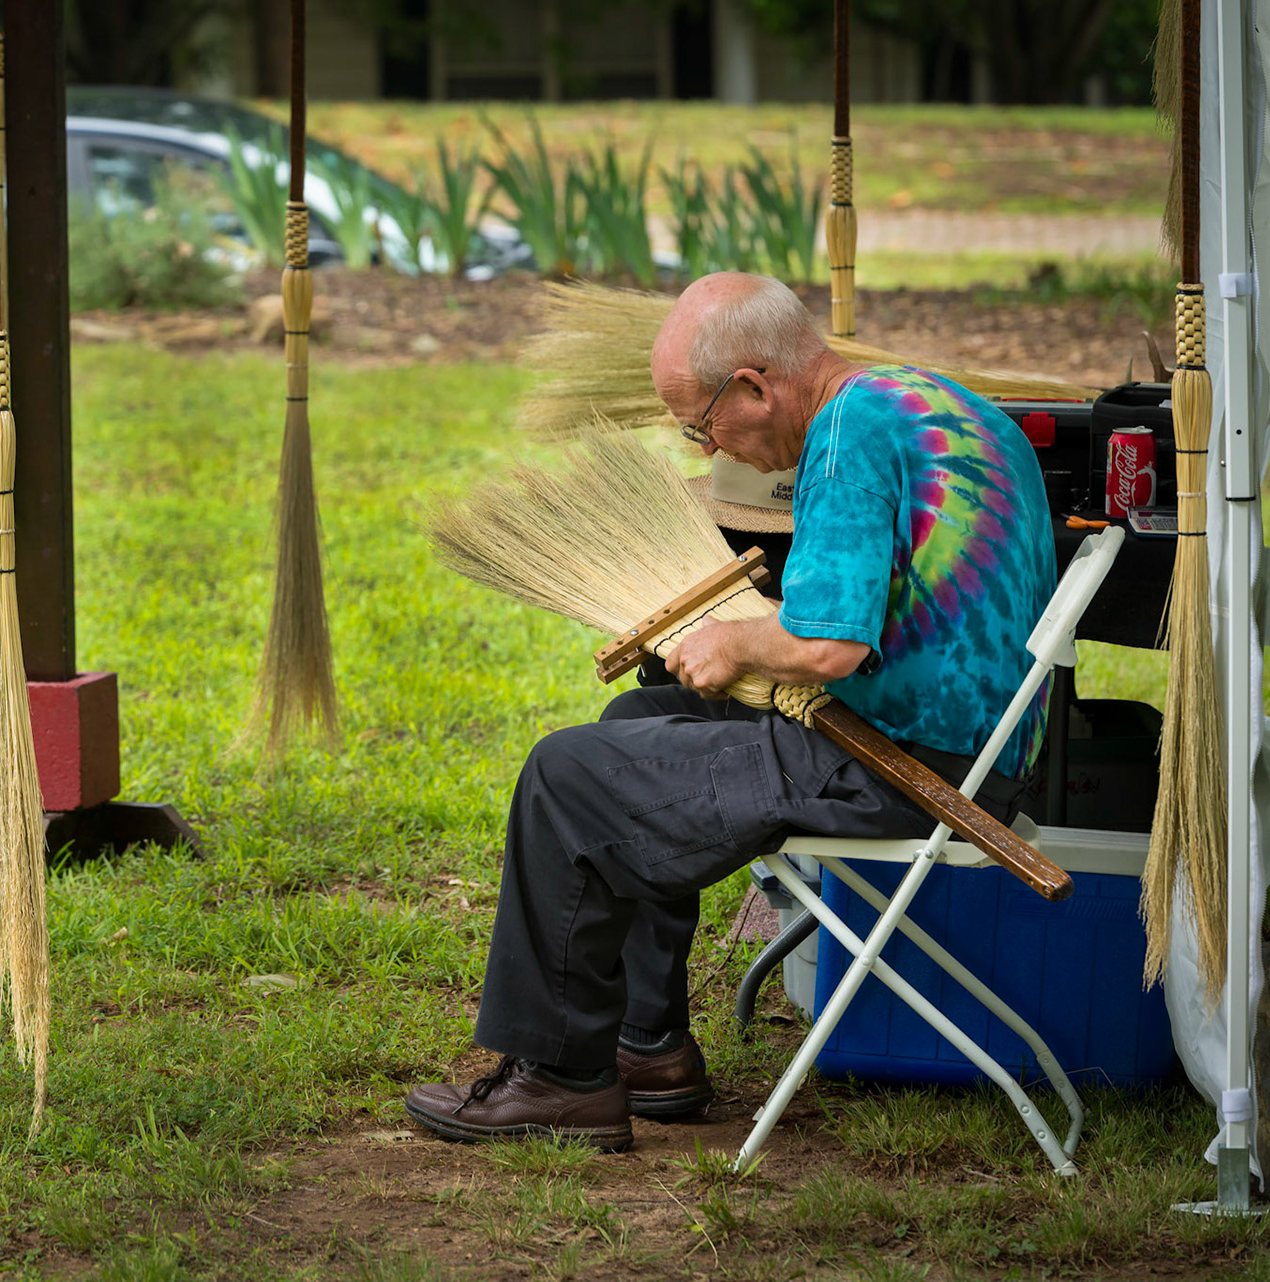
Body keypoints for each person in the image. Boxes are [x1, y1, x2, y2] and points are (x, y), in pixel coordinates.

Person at [402, 272, 1057, 1151]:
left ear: (755, 385)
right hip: (984, 749)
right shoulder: (933, 401)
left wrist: (737, 644)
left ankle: (559, 1080)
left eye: (701, 422)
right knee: (636, 726)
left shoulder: (843, 440)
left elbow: (829, 651)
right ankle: (648, 1048)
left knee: (564, 774)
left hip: (899, 767)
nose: (707, 445)